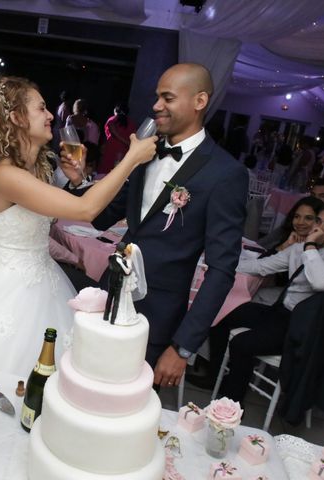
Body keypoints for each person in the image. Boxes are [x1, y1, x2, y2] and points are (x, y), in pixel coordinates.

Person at [0, 76, 157, 377]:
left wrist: (73, 182)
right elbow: (86, 210)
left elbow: (53, 209)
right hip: (8, 293)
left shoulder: (33, 169)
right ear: (16, 118)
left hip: (43, 278)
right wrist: (132, 159)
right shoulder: (6, 175)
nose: (49, 116)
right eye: (41, 108)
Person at [61, 63, 249, 388]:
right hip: (107, 297)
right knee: (85, 388)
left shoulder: (225, 174)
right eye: (156, 97)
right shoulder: (145, 152)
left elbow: (221, 270)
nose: (156, 106)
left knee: (127, 411)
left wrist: (183, 346)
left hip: (156, 321)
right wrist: (81, 183)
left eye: (167, 98)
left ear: (199, 101)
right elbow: (104, 216)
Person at [207, 202, 324, 402]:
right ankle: (219, 375)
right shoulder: (299, 249)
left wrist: (311, 245)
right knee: (222, 312)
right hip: (280, 312)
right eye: (319, 221)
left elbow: (322, 282)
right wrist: (217, 263)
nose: (319, 229)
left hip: (303, 327)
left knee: (241, 344)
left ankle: (232, 405)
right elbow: (262, 266)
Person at [258, 196, 324, 254]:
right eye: (297, 216)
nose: (300, 222)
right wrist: (285, 245)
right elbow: (262, 260)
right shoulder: (289, 233)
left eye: (308, 218)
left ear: (319, 222)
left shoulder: (318, 248)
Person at [99, 102, 137, 174]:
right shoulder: (132, 123)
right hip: (123, 152)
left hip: (110, 149)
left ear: (116, 110)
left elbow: (110, 134)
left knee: (104, 174)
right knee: (117, 174)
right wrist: (128, 143)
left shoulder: (112, 120)